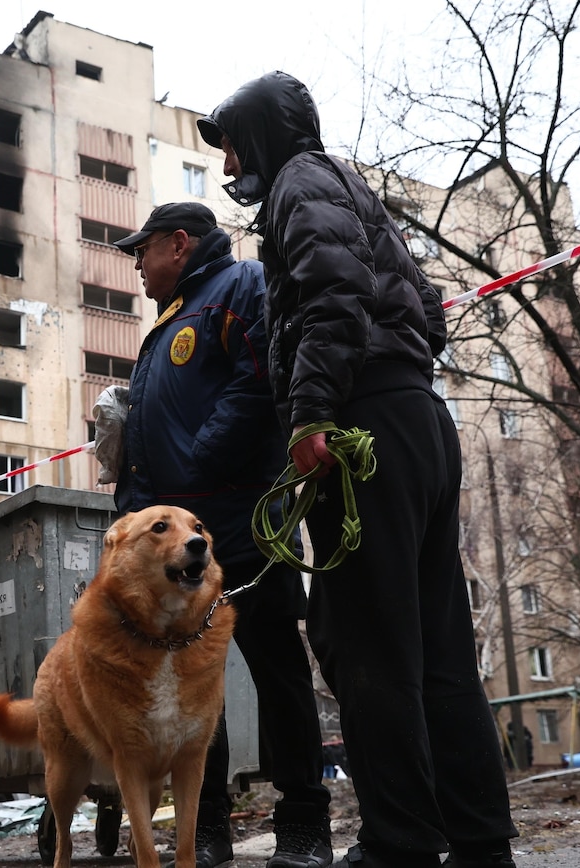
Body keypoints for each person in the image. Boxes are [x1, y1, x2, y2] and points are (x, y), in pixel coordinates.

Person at [199, 71, 518, 868]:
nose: (232, 163)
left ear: (263, 135)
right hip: (414, 420)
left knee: (364, 646)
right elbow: (428, 310)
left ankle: (399, 844)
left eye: (234, 144)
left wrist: (311, 411)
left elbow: (337, 292)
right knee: (438, 652)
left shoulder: (301, 182)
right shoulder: (350, 188)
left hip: (360, 427)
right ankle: (479, 846)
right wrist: (391, 375)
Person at [111, 201, 333, 868]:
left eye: (142, 250)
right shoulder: (168, 322)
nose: (137, 265)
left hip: (244, 523)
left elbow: (258, 381)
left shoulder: (240, 287)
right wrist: (136, 511)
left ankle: (303, 828)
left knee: (279, 672)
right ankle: (205, 830)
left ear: (179, 244)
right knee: (190, 688)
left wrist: (199, 459)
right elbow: (152, 437)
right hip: (179, 551)